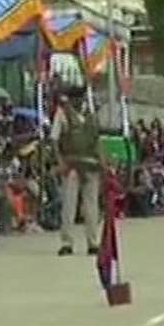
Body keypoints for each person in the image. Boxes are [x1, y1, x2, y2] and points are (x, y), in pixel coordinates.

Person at [50, 86, 103, 257]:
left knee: (91, 207)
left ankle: (93, 242)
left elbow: (96, 140)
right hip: (71, 165)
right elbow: (54, 140)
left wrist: (103, 162)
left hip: (91, 165)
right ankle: (67, 242)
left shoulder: (91, 114)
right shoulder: (62, 114)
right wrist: (60, 163)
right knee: (69, 206)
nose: (80, 101)